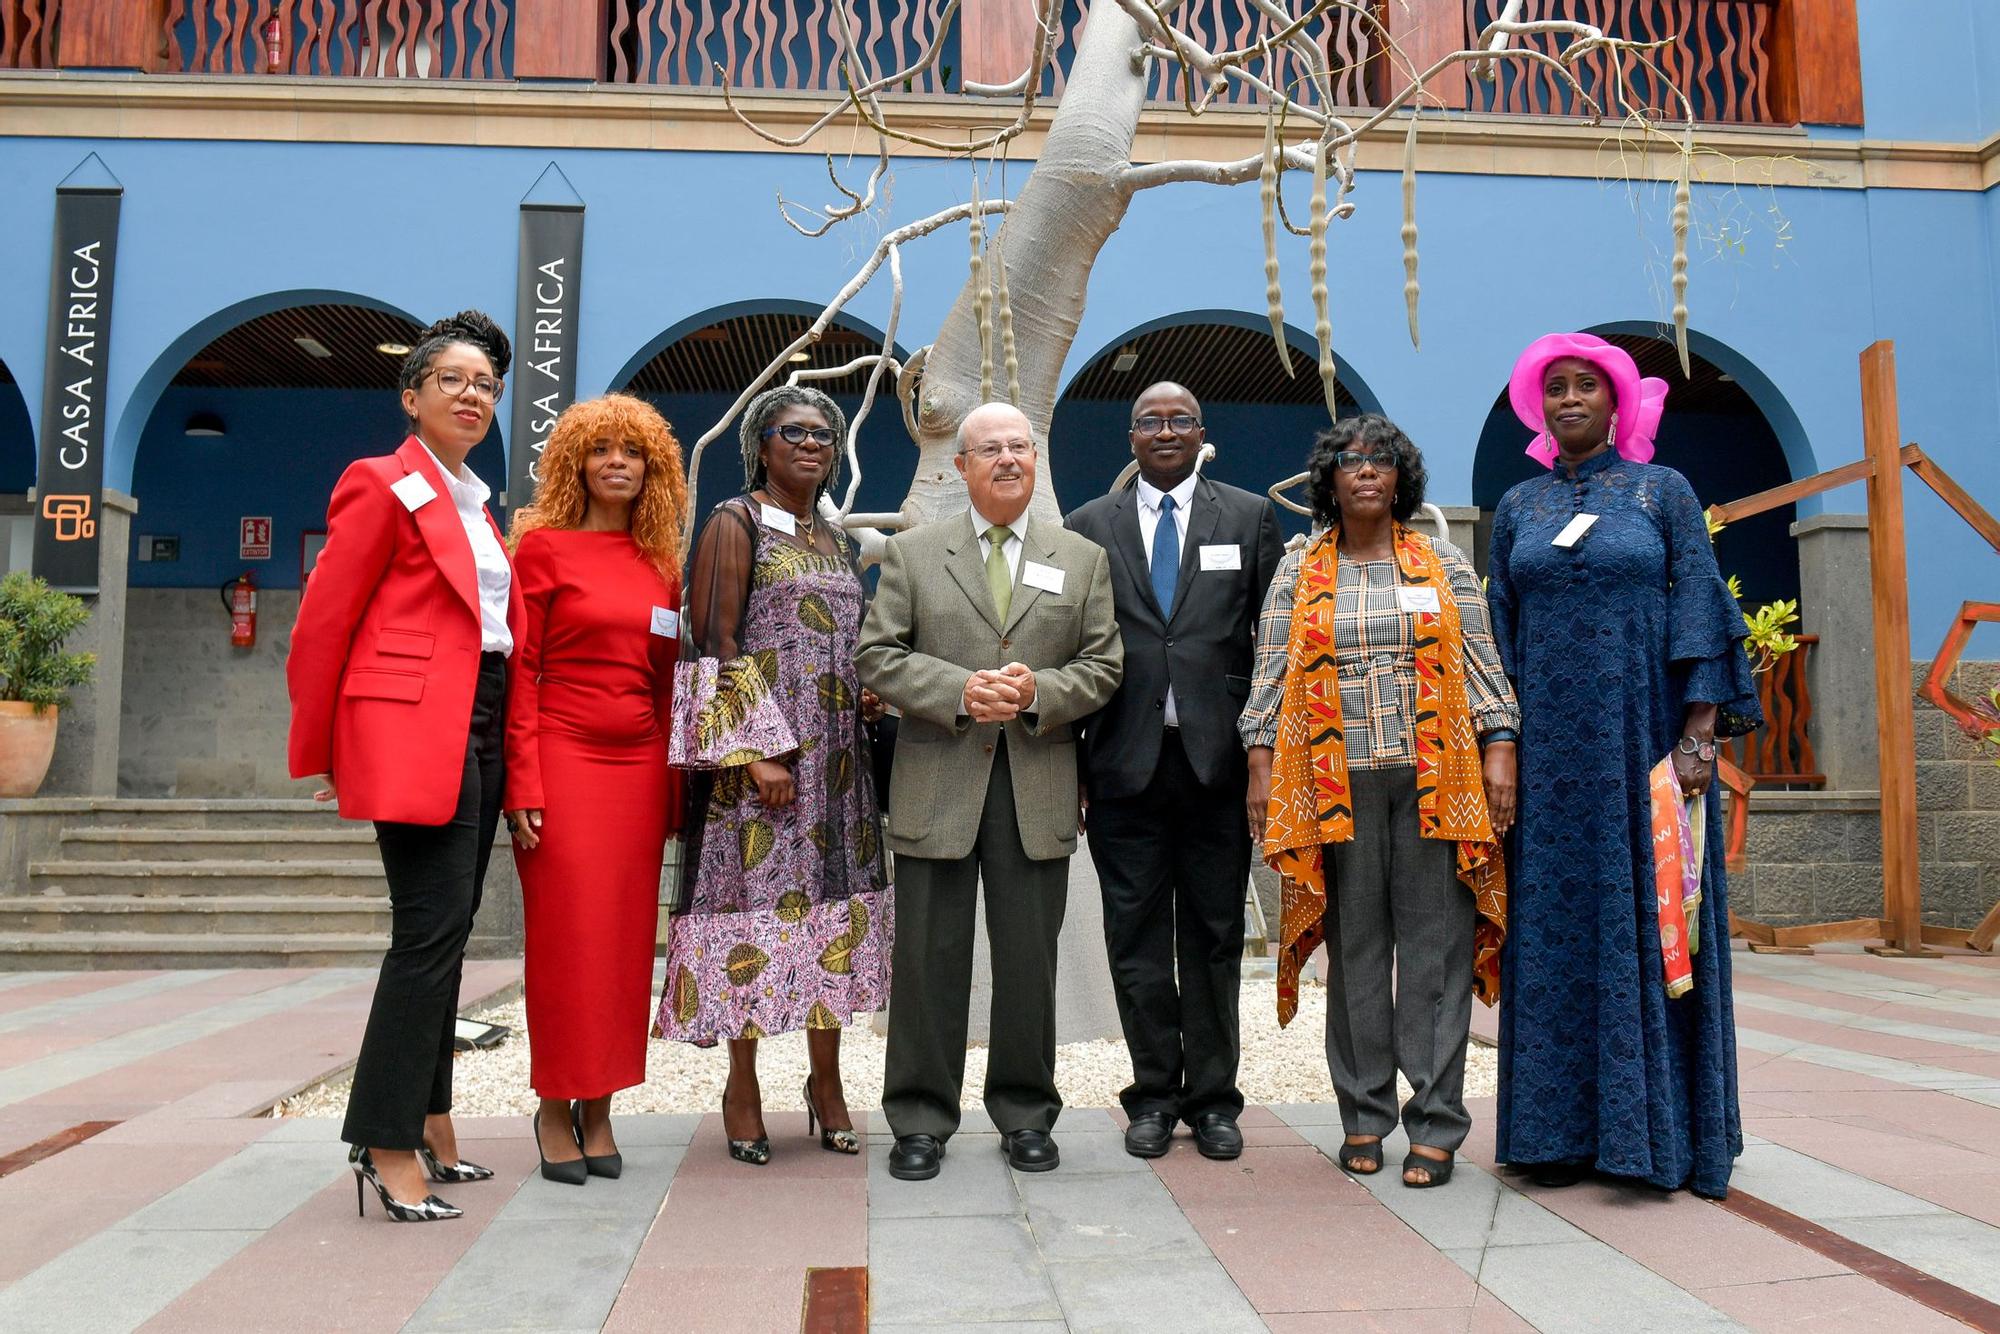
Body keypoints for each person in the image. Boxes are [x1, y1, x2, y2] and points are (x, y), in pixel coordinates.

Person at [1487, 332, 1762, 1199]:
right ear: (1541, 406)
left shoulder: (1662, 492)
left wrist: (1698, 734)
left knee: (1651, 924)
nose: (1570, 400)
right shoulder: (1519, 507)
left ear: (1618, 404)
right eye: (1556, 389)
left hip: (1645, 751)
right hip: (1546, 766)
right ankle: (1555, 1138)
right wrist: (1500, 748)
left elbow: (1702, 612)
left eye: (1587, 388)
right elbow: (1497, 635)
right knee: (1554, 933)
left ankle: (1659, 1140)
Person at [286, 310, 519, 1222]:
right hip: (420, 724)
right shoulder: (379, 484)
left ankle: (432, 1122)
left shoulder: (476, 502)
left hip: (487, 717)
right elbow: (323, 624)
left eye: (487, 387)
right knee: (425, 936)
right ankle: (383, 1143)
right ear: (411, 395)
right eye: (454, 381)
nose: (473, 396)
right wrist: (327, 749)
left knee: (452, 933)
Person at [1243, 414, 1516, 1189]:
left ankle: (1436, 1124)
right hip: (1334, 784)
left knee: (1435, 956)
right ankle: (1363, 1117)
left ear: (1402, 479)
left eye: (1382, 462)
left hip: (1441, 780)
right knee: (1357, 956)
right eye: (1351, 462)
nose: (1367, 473)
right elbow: (1269, 671)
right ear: (1328, 480)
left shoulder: (1443, 563)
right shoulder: (1299, 568)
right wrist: (1259, 761)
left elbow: (1485, 665)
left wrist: (1501, 748)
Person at [857, 401, 1123, 1182]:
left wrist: (1037, 690)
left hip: (1035, 783)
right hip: (938, 780)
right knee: (928, 964)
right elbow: (877, 654)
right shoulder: (912, 554)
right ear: (960, 468)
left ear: (1035, 462)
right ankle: (918, 1118)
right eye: (990, 449)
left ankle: (1025, 1113)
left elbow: (1104, 665)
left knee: (1027, 962)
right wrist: (957, 690)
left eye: (1019, 447)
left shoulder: (1080, 558)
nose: (1007, 459)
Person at [654, 385, 891, 1166]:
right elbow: (712, 637)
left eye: (824, 434)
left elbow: (844, 639)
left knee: (831, 921)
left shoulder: (833, 535)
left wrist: (869, 690)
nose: (813, 444)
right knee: (751, 920)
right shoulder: (736, 520)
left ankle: (826, 1085)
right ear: (762, 445)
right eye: (794, 432)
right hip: (763, 768)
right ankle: (743, 1087)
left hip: (841, 766)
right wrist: (755, 751)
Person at [1065, 382, 1283, 1161]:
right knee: (1136, 942)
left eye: (1179, 420)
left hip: (1218, 767)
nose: (1164, 431)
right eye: (1149, 421)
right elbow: (1070, 651)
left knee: (1218, 936)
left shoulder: (1251, 516)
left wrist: (1265, 760)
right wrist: (1073, 764)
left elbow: (1273, 647)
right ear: (1130, 436)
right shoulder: (1088, 527)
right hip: (1121, 766)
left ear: (1202, 432)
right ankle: (1153, 1095)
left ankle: (1216, 1101)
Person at [503, 393, 690, 1185]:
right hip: (564, 758)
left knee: (621, 944)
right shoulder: (540, 550)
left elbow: (667, 682)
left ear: (654, 468)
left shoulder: (662, 564)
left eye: (632, 451)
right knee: (565, 940)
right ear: (573, 463)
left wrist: (677, 791)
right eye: (600, 449)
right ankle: (554, 1105)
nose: (617, 462)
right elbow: (523, 673)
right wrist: (524, 782)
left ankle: (604, 1106)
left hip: (639, 768)